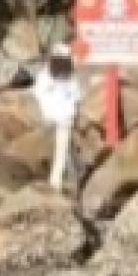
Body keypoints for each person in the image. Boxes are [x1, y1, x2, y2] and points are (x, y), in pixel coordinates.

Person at [33, 43, 84, 193]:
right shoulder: (69, 78)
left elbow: (37, 95)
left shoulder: (44, 76)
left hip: (50, 117)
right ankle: (56, 183)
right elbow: (77, 97)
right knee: (61, 151)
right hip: (62, 118)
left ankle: (76, 173)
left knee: (64, 148)